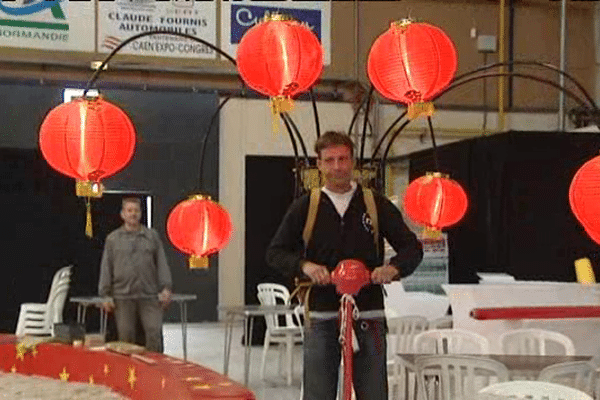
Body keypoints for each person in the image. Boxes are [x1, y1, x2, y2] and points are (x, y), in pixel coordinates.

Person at [266, 131, 423, 400]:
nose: (337, 166)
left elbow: (412, 248)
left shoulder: (375, 204)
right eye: (329, 160)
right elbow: (275, 252)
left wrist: (393, 269)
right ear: (319, 164)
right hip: (321, 314)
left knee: (373, 392)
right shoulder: (306, 206)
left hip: (369, 313)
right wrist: (305, 266)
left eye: (343, 159)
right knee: (318, 393)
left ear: (353, 162)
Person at [98, 197, 172, 353]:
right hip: (122, 296)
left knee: (154, 332)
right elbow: (106, 267)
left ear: (140, 214)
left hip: (149, 295)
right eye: (129, 210)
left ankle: (157, 370)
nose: (133, 214)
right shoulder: (112, 239)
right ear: (122, 214)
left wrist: (166, 287)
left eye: (136, 211)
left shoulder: (152, 236)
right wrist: (105, 294)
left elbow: (162, 264)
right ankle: (130, 373)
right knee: (126, 336)